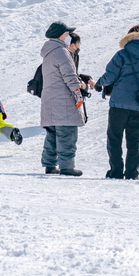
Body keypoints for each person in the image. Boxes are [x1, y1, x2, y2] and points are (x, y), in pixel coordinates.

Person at [96, 25, 139, 180]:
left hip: (118, 105)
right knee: (135, 141)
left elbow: (110, 75)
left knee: (114, 138)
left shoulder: (122, 55)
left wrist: (99, 83)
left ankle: (116, 171)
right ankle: (132, 172)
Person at [40, 22, 90, 176]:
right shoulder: (61, 51)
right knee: (67, 134)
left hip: (50, 99)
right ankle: (67, 167)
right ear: (62, 35)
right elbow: (69, 76)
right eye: (67, 33)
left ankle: (50, 165)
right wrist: (78, 91)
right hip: (63, 100)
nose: (69, 36)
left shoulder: (49, 52)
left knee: (53, 134)